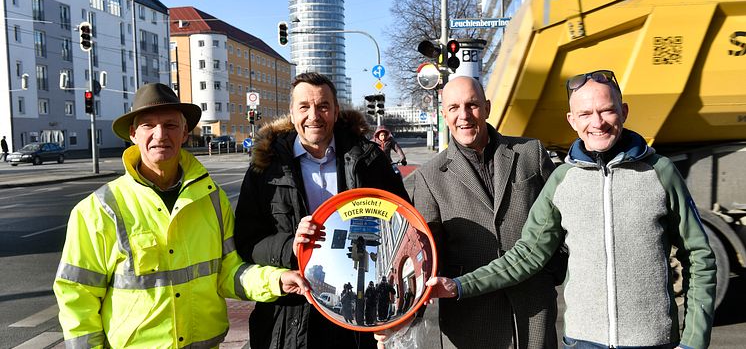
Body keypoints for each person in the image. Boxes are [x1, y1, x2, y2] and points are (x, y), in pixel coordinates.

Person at [426, 70, 717, 349]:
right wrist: (459, 285)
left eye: (607, 110)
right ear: (572, 120)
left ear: (624, 111)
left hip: (652, 339)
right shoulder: (563, 180)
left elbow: (699, 256)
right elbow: (527, 253)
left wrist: (693, 339)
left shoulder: (660, 173)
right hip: (582, 341)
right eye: (586, 114)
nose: (597, 122)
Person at [53, 83, 309, 348]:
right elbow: (77, 296)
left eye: (170, 125)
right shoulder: (99, 209)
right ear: (133, 134)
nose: (160, 134)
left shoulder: (212, 199)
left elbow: (229, 272)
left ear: (185, 132)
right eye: (148, 125)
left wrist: (276, 280)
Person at [234, 72, 409, 349]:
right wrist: (291, 247)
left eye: (323, 106)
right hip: (290, 313)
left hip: (356, 314)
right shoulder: (265, 169)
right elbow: (247, 242)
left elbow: (403, 220)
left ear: (336, 112)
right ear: (291, 113)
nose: (313, 115)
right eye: (304, 107)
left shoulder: (369, 160)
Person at [408, 76, 564, 349]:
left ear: (488, 108)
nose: (464, 116)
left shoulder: (530, 153)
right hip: (471, 320)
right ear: (444, 115)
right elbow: (426, 254)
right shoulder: (430, 176)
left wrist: (551, 271)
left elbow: (562, 218)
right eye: (454, 108)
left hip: (533, 311)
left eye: (472, 105)